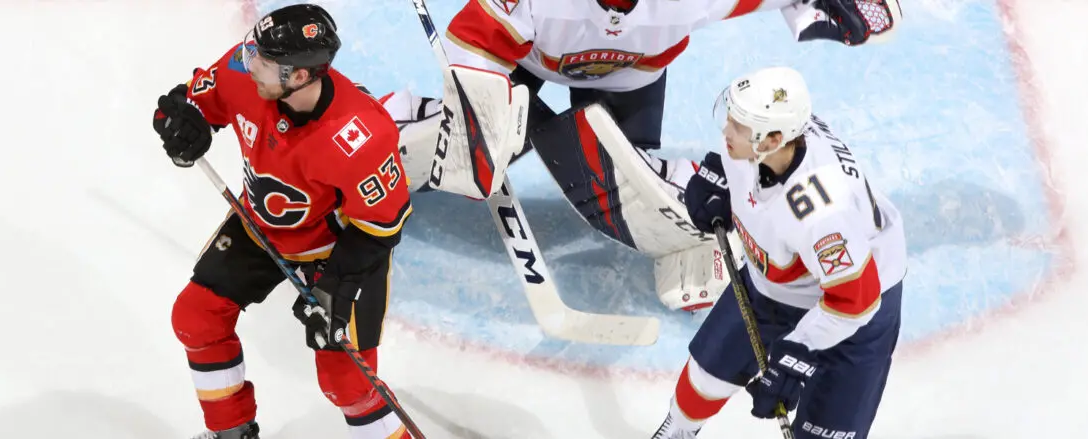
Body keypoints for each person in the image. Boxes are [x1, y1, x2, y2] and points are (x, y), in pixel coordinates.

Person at [381, 0, 903, 313]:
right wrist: (481, 114)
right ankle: (368, 149)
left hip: (631, 83)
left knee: (628, 190)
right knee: (464, 151)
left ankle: (702, 217)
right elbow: (472, 40)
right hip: (525, 59)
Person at [151, 4, 413, 439]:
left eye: (266, 61)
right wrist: (180, 126)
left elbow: (381, 227)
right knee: (197, 317)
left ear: (301, 76)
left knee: (345, 384)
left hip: (338, 251)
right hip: (261, 228)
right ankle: (231, 433)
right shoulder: (244, 71)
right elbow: (185, 103)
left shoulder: (361, 134)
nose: (249, 61)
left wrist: (334, 288)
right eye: (254, 49)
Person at [651, 66, 906, 439]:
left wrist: (797, 352)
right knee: (704, 376)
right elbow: (734, 165)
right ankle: (677, 432)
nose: (726, 132)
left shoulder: (822, 214)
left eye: (737, 126)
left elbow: (856, 300)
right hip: (777, 279)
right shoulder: (768, 134)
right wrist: (718, 181)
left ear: (771, 140)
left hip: (856, 308)